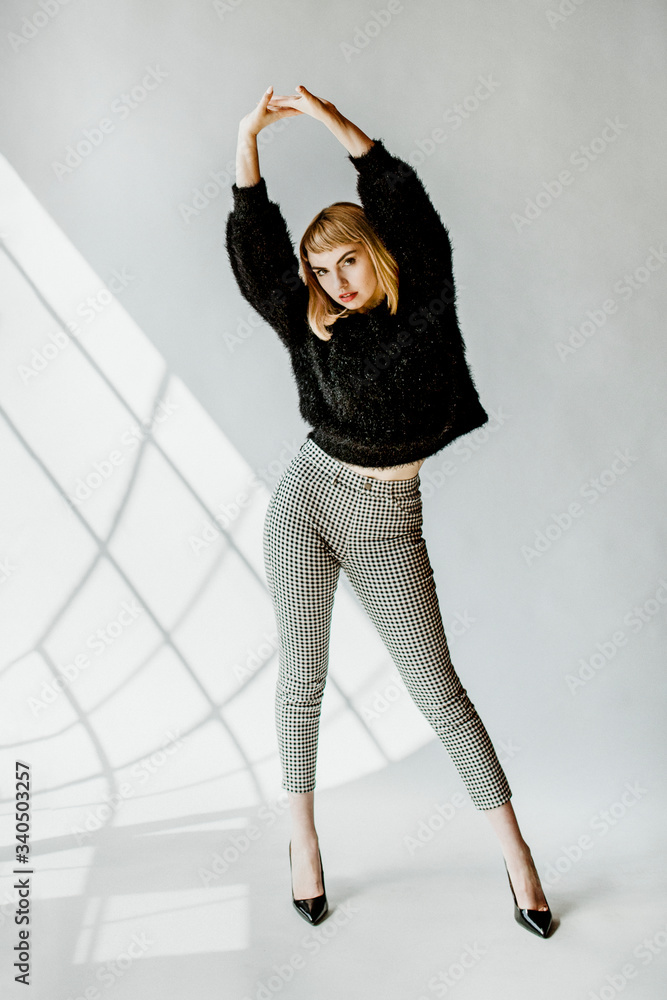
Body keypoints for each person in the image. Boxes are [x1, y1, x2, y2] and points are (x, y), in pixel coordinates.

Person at [225, 84, 553, 938]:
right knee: (300, 679)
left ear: (377, 255)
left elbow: (408, 205)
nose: (334, 281)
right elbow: (256, 253)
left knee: (437, 692)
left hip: (384, 520)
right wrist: (246, 139)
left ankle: (518, 859)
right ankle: (302, 845)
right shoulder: (310, 322)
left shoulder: (426, 304)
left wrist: (334, 125)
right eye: (320, 269)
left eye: (348, 262)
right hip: (306, 500)